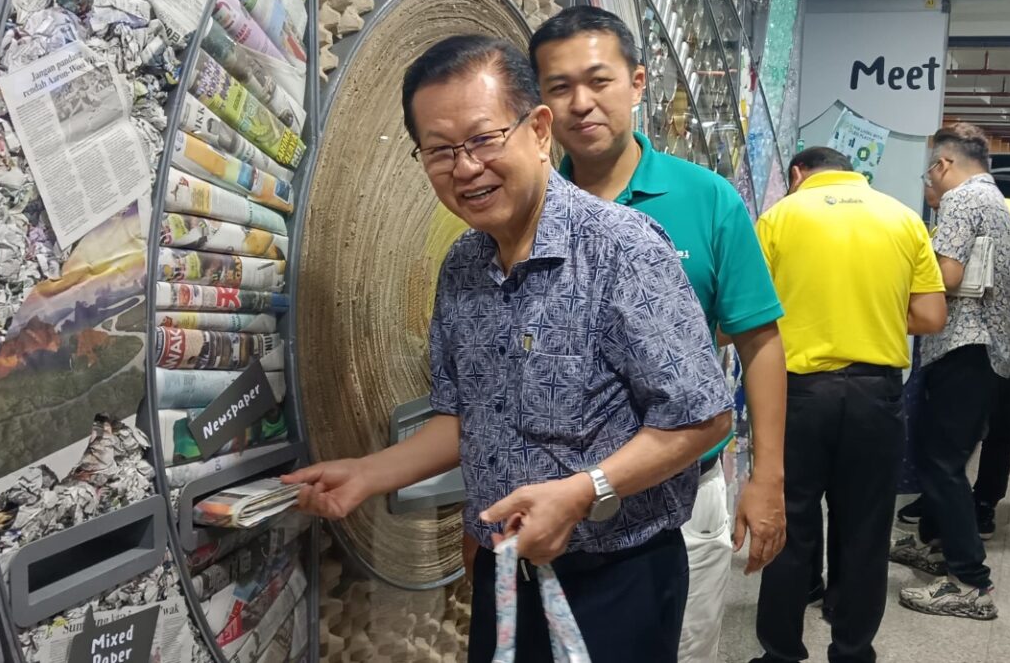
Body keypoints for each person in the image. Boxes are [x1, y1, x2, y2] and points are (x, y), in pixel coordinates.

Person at [280, 35, 734, 663]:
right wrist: (366, 474)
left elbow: (703, 416)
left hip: (616, 579)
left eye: (483, 139)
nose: (465, 168)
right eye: (440, 150)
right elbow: (463, 418)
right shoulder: (463, 266)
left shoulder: (621, 249)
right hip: (504, 571)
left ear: (539, 130)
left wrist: (582, 492)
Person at [528, 5, 789, 663]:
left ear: (637, 83)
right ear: (540, 105)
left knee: (681, 649)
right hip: (556, 503)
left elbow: (759, 341)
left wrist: (768, 478)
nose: (581, 103)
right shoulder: (529, 207)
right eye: (560, 87)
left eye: (599, 81)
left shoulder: (706, 199)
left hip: (682, 492)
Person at [751, 147, 946, 662]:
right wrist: (872, 316)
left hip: (798, 394)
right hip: (875, 393)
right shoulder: (903, 218)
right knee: (865, 530)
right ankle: (853, 650)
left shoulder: (778, 218)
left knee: (789, 525)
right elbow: (931, 316)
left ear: (798, 174)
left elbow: (747, 315)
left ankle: (781, 653)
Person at [889, 123, 1010, 621]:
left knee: (941, 463)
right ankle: (940, 547)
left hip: (966, 345)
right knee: (944, 458)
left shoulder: (963, 200)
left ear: (944, 164)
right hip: (985, 348)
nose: (930, 180)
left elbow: (945, 275)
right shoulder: (996, 200)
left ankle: (970, 583)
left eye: (930, 171)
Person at [896, 190, 1010, 538]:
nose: (926, 187)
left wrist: (991, 271)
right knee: (947, 429)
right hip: (955, 343)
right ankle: (938, 499)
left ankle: (985, 502)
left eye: (931, 178)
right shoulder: (945, 222)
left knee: (1000, 428)